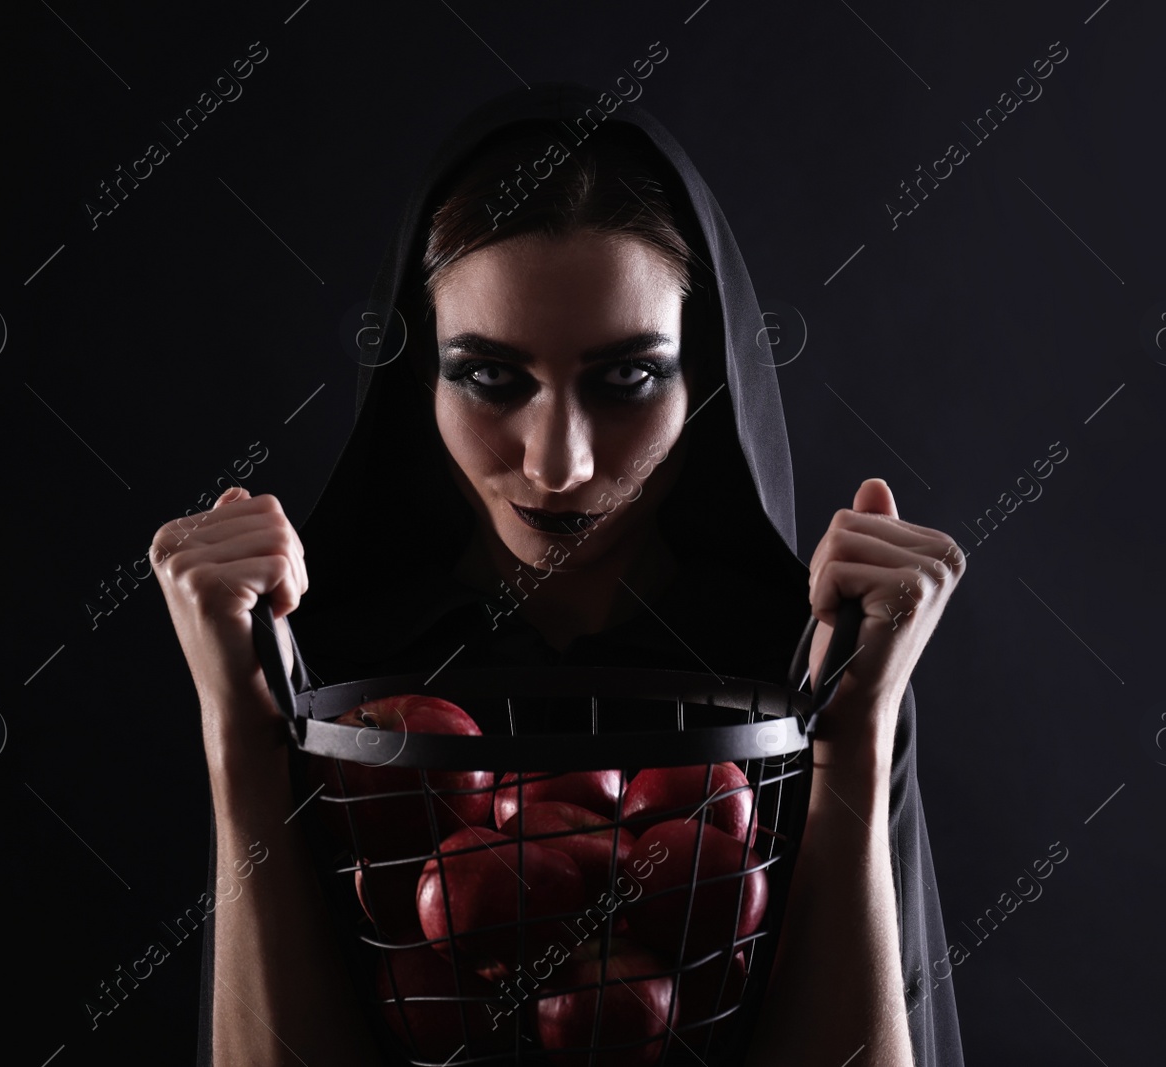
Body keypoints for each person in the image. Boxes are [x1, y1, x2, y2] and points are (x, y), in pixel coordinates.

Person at [151, 82, 967, 1066]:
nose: (556, 464)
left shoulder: (807, 663)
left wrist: (859, 720)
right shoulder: (323, 663)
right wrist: (238, 727)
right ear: (423, 378)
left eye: (625, 378)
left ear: (701, 378)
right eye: (491, 376)